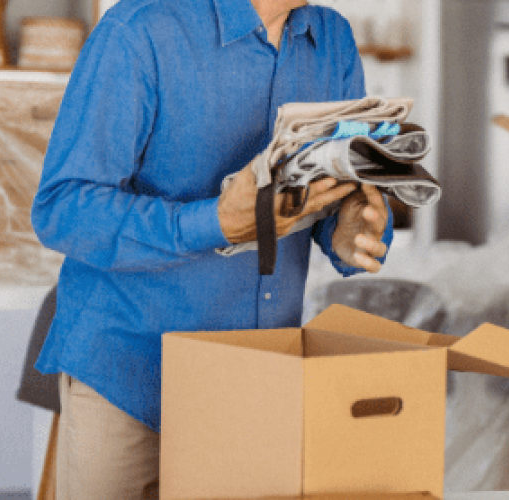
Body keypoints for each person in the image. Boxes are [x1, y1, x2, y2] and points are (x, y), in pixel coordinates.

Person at [30, 0, 392, 497]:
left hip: (252, 380)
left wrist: (344, 232)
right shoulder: (140, 31)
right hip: (129, 375)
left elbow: (323, 190)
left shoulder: (331, 39)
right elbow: (63, 209)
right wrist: (214, 223)